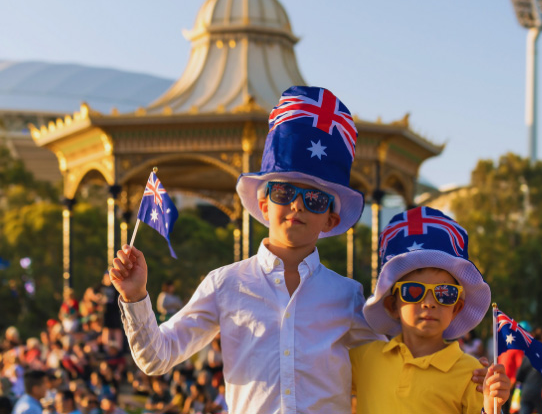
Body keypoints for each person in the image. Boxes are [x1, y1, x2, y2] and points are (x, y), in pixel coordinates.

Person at [110, 86, 488, 413]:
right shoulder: (224, 284)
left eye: (315, 199)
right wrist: (135, 296)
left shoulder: (347, 296)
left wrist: (470, 381)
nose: (297, 206)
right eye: (285, 192)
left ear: (330, 220)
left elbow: (394, 369)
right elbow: (156, 358)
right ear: (263, 204)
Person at [352, 206, 510, 414]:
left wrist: (492, 404)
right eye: (413, 291)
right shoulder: (364, 358)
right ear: (392, 306)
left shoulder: (472, 374)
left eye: (444, 293)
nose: (429, 303)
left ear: (456, 308)